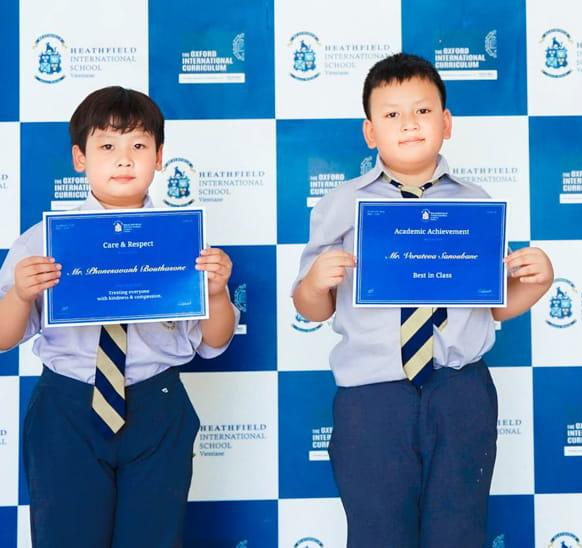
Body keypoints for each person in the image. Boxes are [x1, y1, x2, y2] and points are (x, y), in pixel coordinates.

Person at [292, 52, 553, 547]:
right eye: (391, 115)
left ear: (447, 122)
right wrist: (315, 282)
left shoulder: (475, 203)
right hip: (373, 396)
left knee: (458, 530)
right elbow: (312, 308)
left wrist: (536, 283)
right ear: (370, 132)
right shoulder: (340, 204)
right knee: (378, 533)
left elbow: (493, 305)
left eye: (423, 111)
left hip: (461, 392)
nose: (409, 124)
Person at [0, 86, 239, 548]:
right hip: (66, 407)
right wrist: (20, 294)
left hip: (157, 404)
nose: (124, 159)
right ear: (79, 158)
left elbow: (213, 342)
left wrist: (218, 292)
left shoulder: (186, 243)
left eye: (138, 146)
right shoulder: (41, 241)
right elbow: (3, 337)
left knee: (153, 538)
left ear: (160, 157)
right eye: (107, 146)